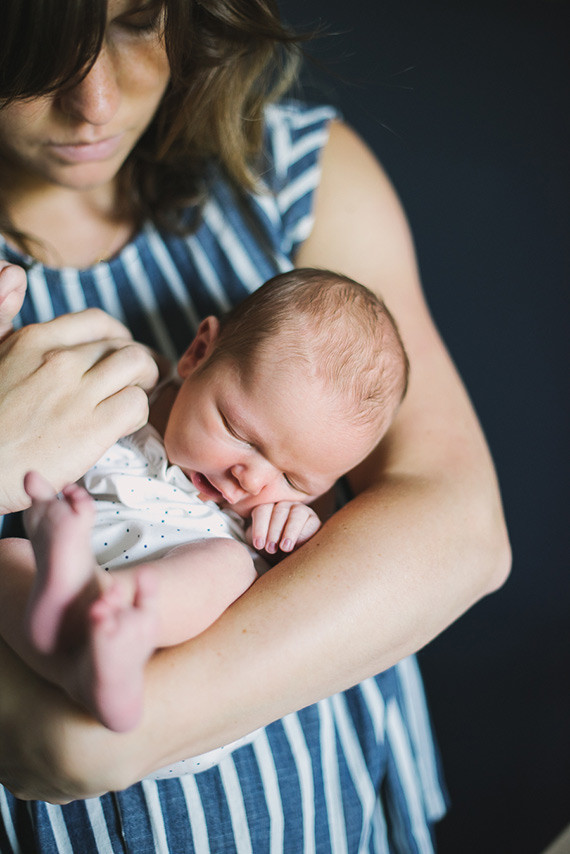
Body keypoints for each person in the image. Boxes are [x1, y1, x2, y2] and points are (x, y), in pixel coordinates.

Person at [0, 0, 511, 851]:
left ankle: (100, 643)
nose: (91, 102)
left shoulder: (290, 171)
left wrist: (103, 735)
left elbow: (461, 531)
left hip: (319, 811)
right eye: (27, 44)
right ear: (195, 353)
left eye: (133, 24)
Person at [0, 267, 409, 742]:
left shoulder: (261, 521)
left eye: (294, 480)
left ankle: (120, 633)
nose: (251, 479)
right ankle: (80, 658)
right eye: (239, 433)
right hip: (58, 606)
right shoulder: (128, 382)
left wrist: (297, 533)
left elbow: (308, 587)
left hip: (173, 656)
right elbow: (29, 398)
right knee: (7, 559)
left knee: (230, 565)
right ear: (197, 354)